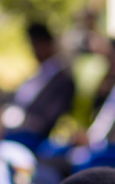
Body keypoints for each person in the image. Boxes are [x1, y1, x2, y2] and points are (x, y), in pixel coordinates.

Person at [4, 22, 75, 151]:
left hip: (33, 136)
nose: (33, 50)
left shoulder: (63, 80)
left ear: (47, 44)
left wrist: (20, 119)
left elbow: (47, 120)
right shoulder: (40, 73)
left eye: (36, 45)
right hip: (16, 126)